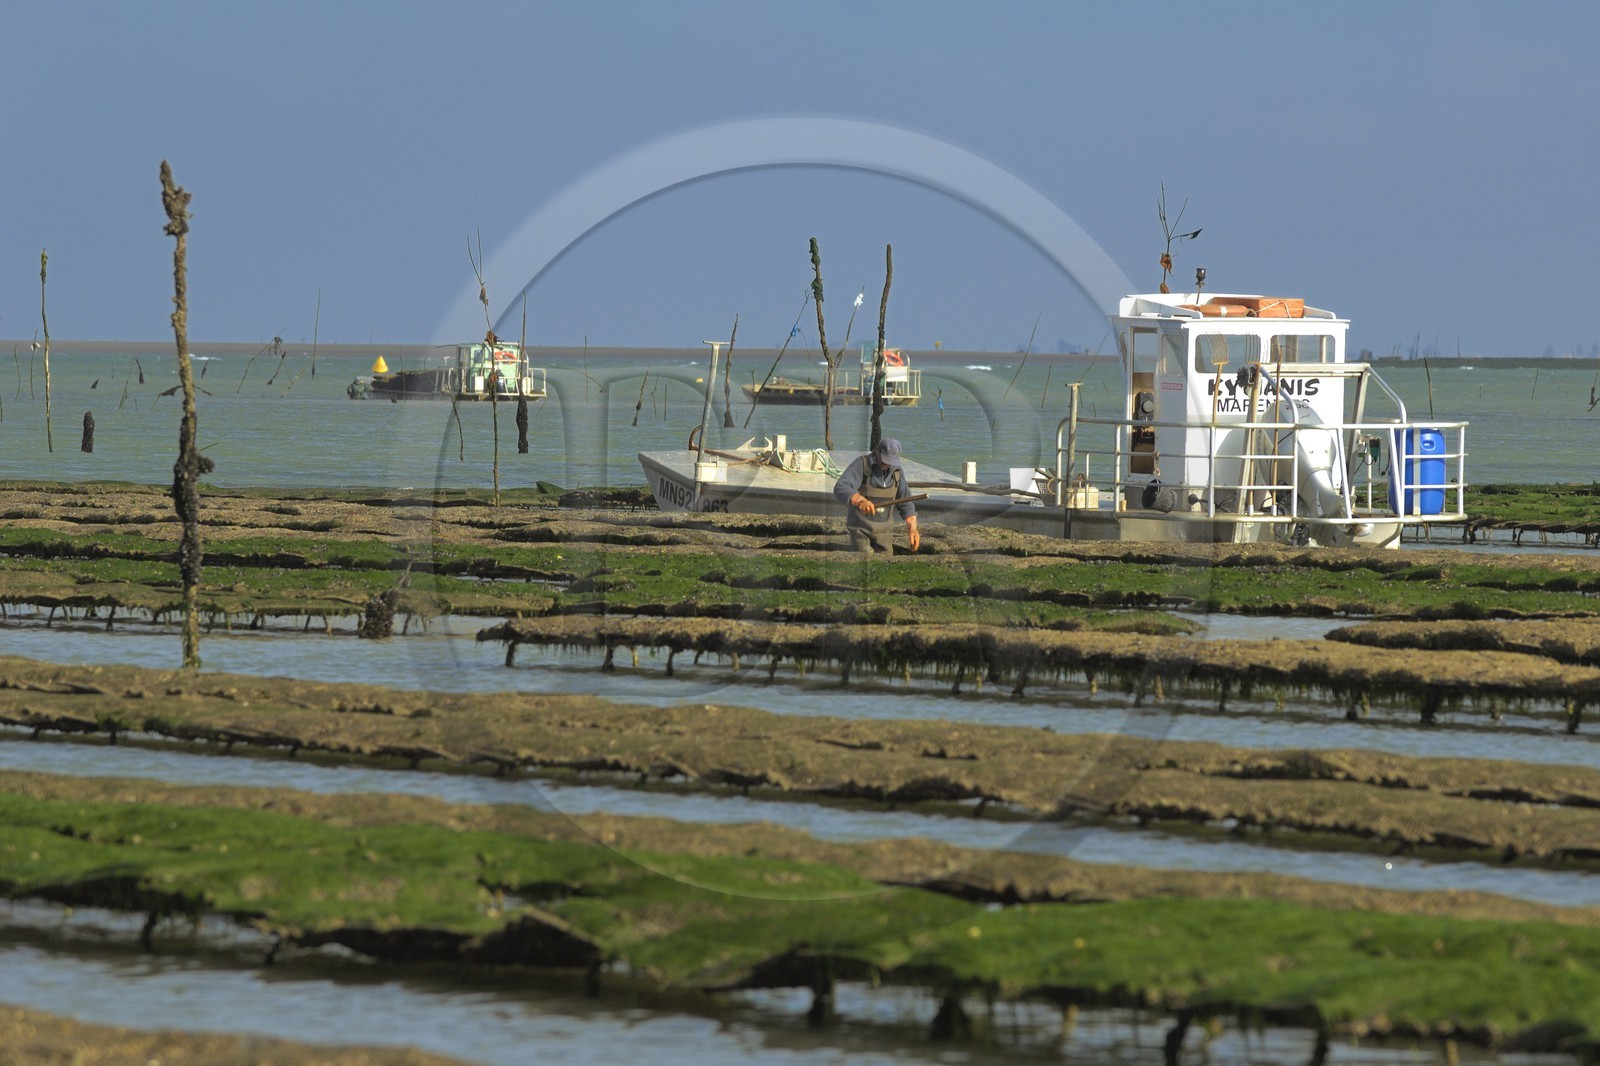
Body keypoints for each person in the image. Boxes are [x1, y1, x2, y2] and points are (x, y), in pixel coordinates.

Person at [833, 437, 920, 553]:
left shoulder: (897, 472)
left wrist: (913, 528)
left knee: (885, 563)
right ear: (876, 450)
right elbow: (841, 487)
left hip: (885, 532)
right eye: (885, 460)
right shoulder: (862, 464)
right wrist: (859, 500)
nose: (887, 464)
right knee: (864, 558)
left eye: (891, 462)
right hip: (861, 530)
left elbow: (906, 502)